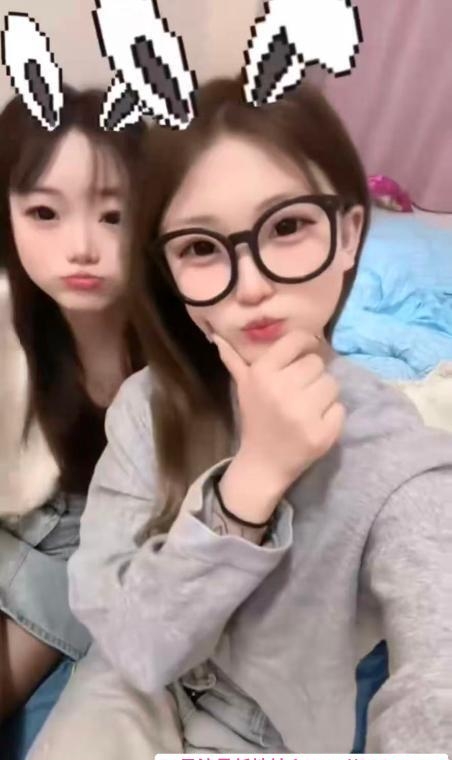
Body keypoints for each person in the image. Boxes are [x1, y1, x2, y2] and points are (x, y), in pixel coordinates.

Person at [29, 77, 452, 757]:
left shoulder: (402, 467)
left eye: (287, 227)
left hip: (270, 732)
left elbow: (437, 686)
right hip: (130, 690)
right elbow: (132, 648)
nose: (252, 285)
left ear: (348, 233)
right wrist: (250, 482)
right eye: (200, 247)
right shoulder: (148, 404)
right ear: (168, 269)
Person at [0, 86, 148, 759]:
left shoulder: (184, 333)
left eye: (114, 215)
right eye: (44, 212)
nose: (82, 246)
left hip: (88, 540)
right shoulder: (9, 313)